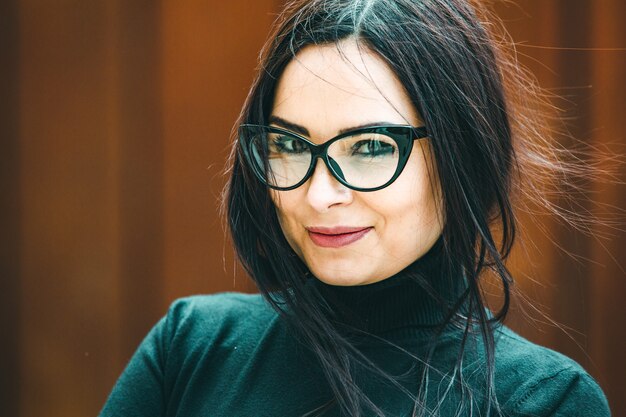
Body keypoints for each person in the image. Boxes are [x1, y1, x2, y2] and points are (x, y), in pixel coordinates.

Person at [100, 0, 611, 416]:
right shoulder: (193, 349)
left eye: (369, 148)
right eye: (291, 146)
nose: (319, 195)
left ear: (463, 155)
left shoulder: (545, 401)